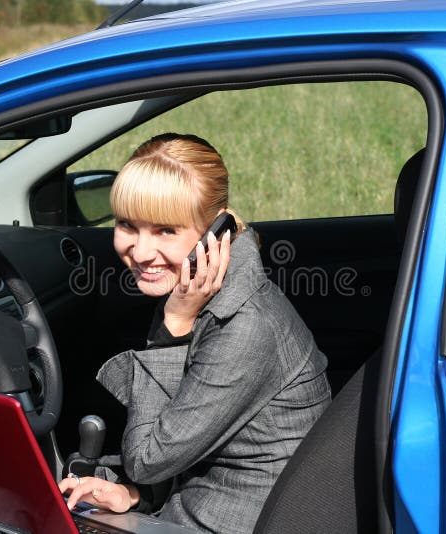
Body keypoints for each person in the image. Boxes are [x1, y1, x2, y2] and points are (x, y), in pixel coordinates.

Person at [59, 133, 331, 533]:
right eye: (127, 225)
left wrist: (171, 329)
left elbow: (147, 458)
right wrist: (134, 494)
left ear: (214, 232)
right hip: (194, 497)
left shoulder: (244, 326)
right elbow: (189, 437)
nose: (141, 251)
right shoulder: (201, 290)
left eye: (166, 230)